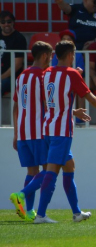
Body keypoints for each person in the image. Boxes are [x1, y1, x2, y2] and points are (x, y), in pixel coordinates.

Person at [33, 41, 96, 223]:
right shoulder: (71, 74)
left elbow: (51, 102)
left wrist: (72, 111)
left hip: (48, 127)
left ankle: (77, 213)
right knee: (52, 172)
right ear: (71, 55)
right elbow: (90, 97)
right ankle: (40, 214)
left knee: (69, 167)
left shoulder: (46, 73)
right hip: (61, 131)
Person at [9, 41, 90, 222]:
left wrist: (15, 133)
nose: (52, 58)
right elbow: (51, 102)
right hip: (42, 130)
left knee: (34, 171)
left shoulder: (21, 76)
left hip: (23, 131)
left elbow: (16, 105)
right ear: (45, 55)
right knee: (49, 171)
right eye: (51, 55)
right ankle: (22, 196)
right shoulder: (43, 76)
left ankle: (30, 212)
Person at [0, 11, 27, 96]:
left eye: (9, 22)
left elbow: (17, 64)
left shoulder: (19, 38)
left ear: (13, 22)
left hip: (12, 77)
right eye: (3, 22)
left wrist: (1, 77)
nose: (6, 24)